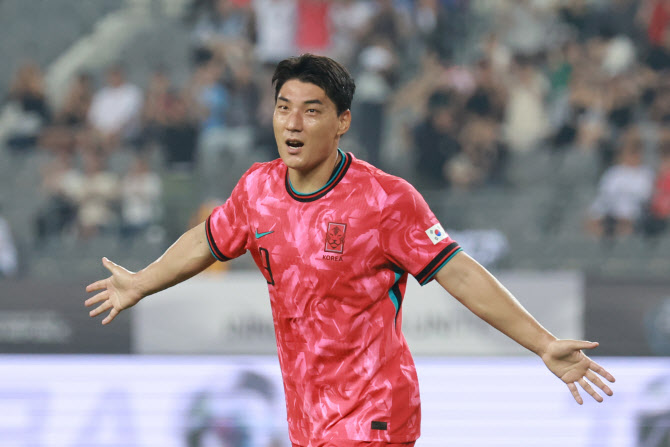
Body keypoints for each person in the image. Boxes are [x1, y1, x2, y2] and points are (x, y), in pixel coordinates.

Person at [85, 54, 615, 447]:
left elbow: (459, 271)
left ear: (342, 122)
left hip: (375, 415)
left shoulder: (385, 200)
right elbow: (207, 239)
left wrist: (543, 344)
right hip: (307, 419)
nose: (292, 123)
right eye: (283, 108)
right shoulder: (258, 189)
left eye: (311, 111)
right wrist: (140, 282)